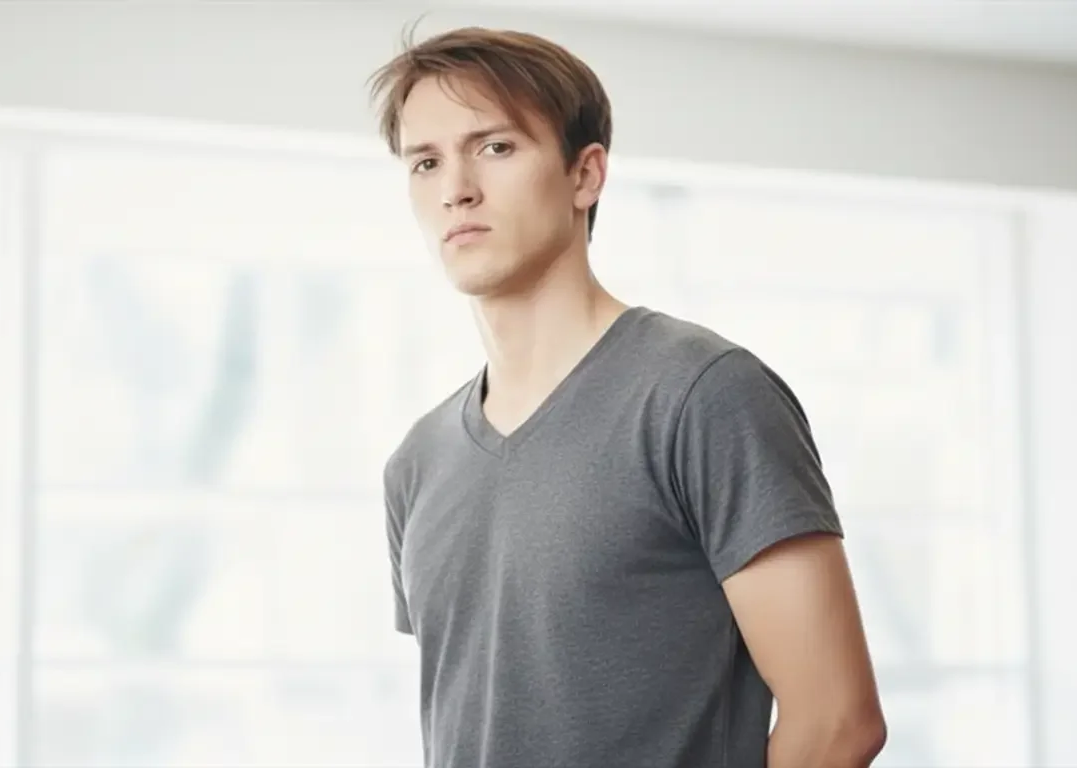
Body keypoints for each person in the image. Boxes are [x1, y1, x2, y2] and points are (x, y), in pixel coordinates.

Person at [367, 24, 887, 768]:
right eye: (426, 161)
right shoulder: (416, 464)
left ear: (586, 175)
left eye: (496, 147)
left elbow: (837, 721)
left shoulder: (703, 396)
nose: (456, 189)